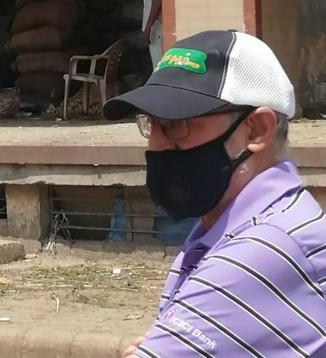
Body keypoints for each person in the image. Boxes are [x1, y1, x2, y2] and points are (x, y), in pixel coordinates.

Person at [103, 30, 326, 357]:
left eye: (177, 123)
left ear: (256, 129)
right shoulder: (234, 228)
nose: (157, 144)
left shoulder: (262, 252)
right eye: (152, 122)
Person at [142, 0, 162, 67]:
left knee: (158, 65)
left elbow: (157, 2)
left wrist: (148, 28)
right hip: (155, 27)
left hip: (156, 29)